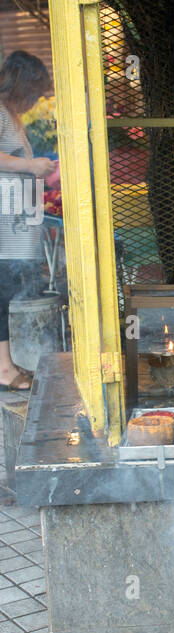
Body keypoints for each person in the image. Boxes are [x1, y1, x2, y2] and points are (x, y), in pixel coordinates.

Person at [0, 51, 54, 391]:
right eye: (34, 89)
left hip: (13, 222)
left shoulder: (11, 115)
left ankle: (6, 364)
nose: (36, 99)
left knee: (5, 292)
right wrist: (32, 167)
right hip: (3, 223)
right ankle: (4, 371)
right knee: (1, 292)